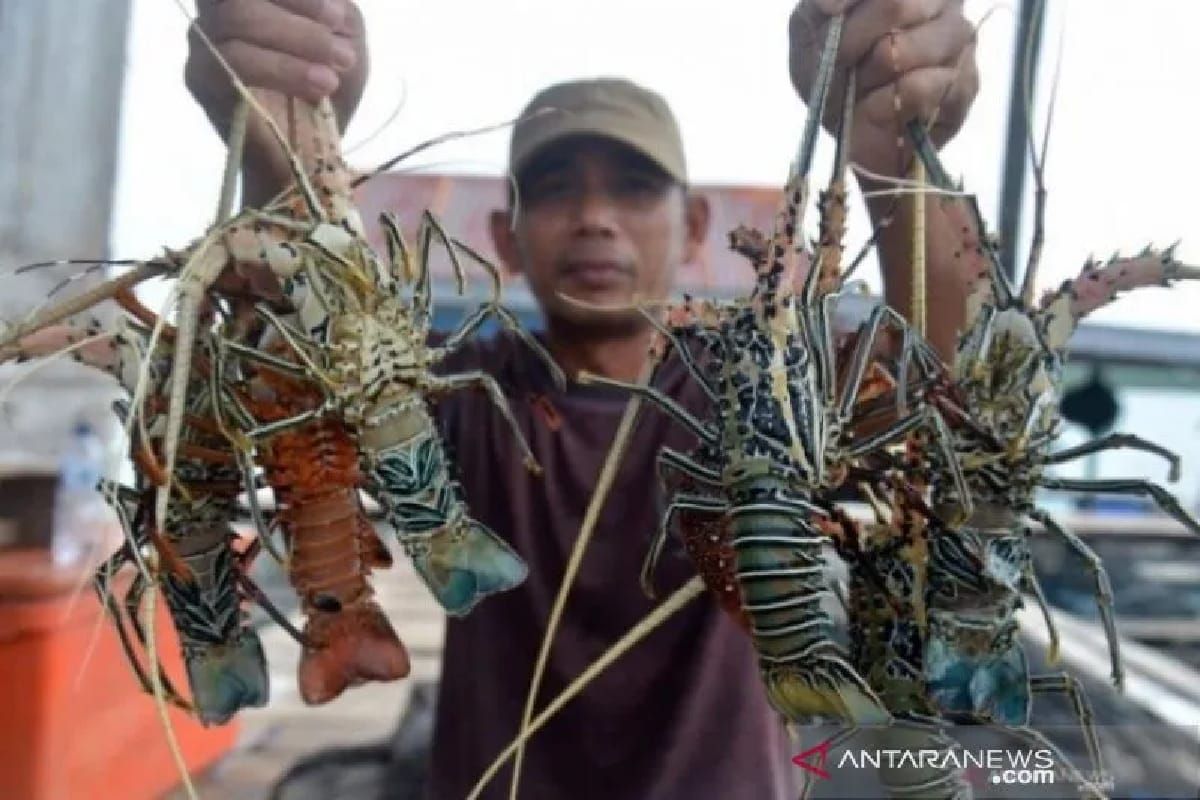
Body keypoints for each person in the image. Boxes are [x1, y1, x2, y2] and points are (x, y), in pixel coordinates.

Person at [185, 1, 980, 797]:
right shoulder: (460, 393)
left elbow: (937, 381)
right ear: (504, 237)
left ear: (695, 226)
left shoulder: (752, 389)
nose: (596, 220)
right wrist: (284, 146)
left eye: (633, 189)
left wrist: (893, 162)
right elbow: (305, 385)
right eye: (557, 190)